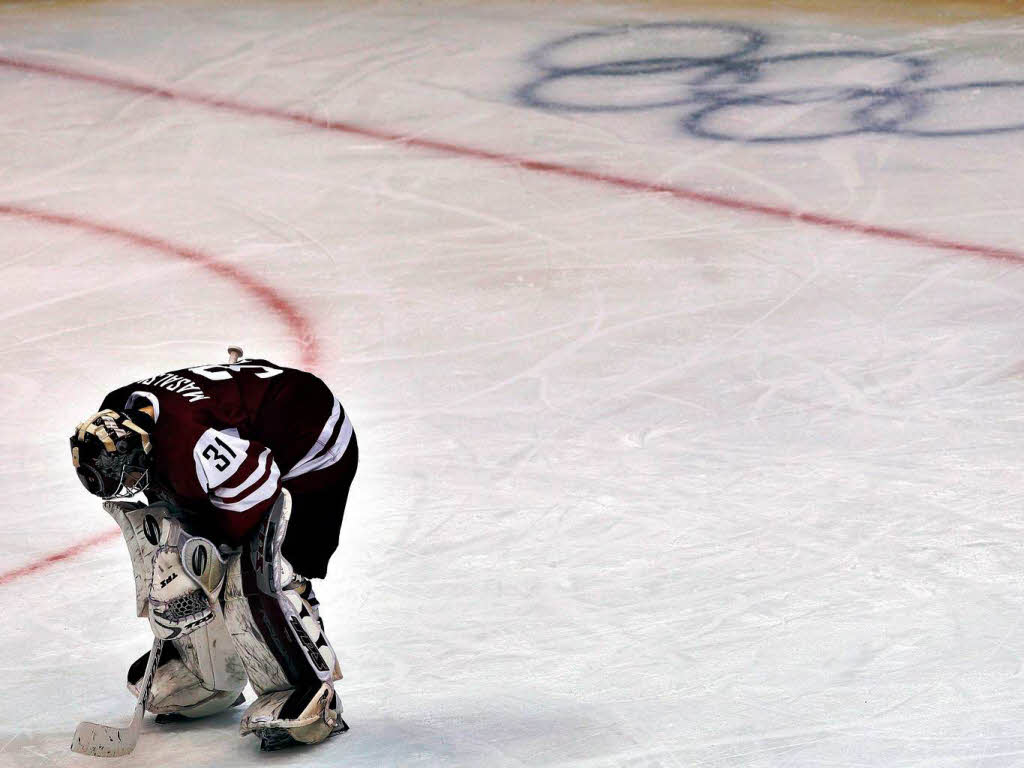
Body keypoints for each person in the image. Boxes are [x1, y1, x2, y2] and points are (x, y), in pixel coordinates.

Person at [69, 352, 358, 751]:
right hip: (257, 416)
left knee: (255, 568)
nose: (132, 487)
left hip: (313, 440)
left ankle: (305, 688)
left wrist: (211, 549)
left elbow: (259, 492)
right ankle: (210, 674)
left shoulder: (187, 440)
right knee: (172, 552)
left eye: (133, 477)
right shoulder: (122, 417)